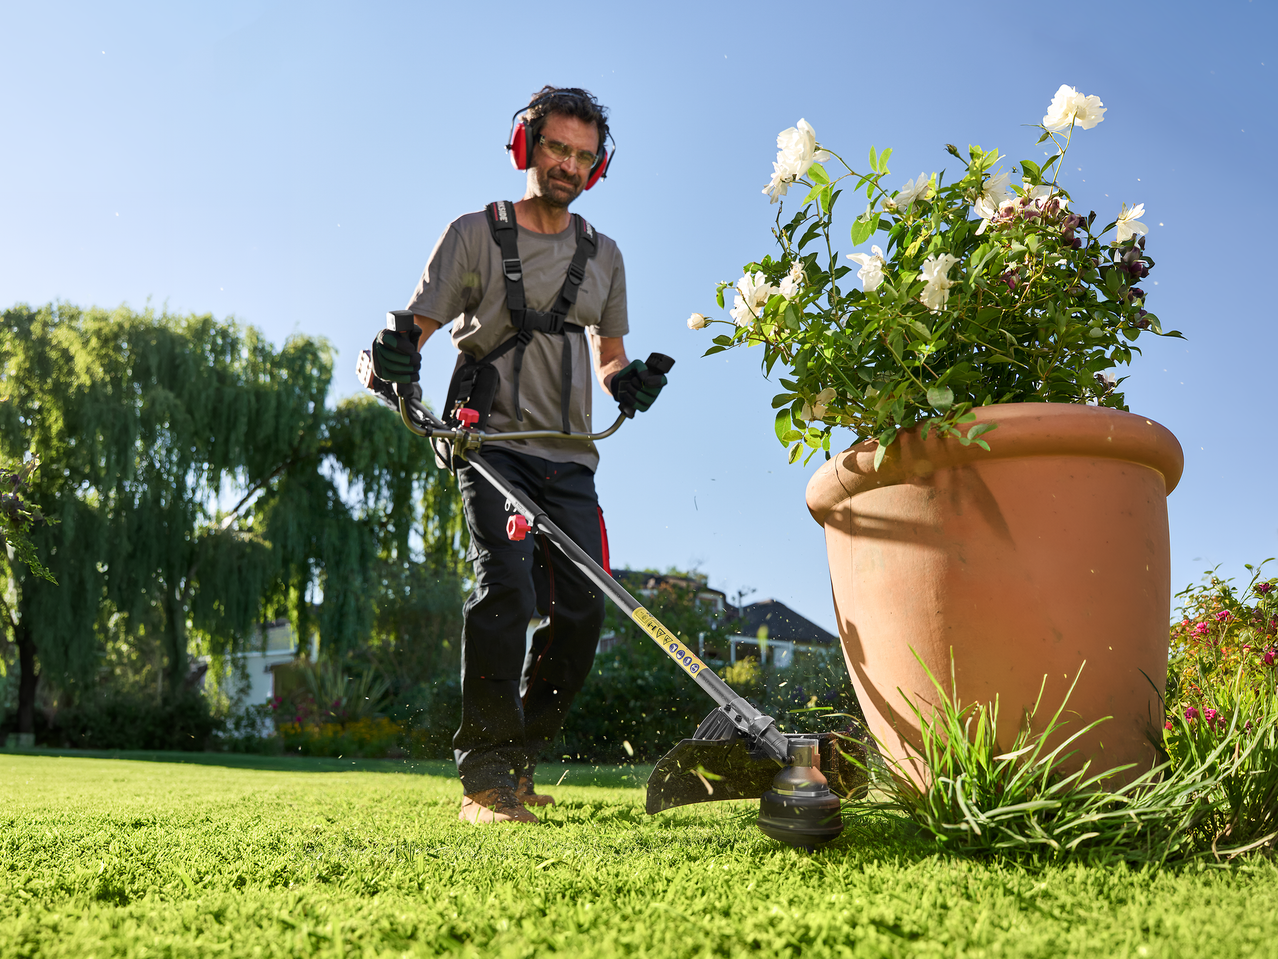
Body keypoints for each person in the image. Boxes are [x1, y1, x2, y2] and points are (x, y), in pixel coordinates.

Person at [371, 86, 666, 824]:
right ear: (525, 146)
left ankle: (522, 756)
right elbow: (412, 332)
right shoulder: (473, 234)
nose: (567, 163)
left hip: (572, 460)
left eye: (582, 155)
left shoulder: (606, 255)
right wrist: (387, 364)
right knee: (508, 591)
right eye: (557, 147)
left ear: (597, 167)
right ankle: (485, 783)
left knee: (583, 615)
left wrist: (627, 383)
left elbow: (609, 357)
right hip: (492, 444)